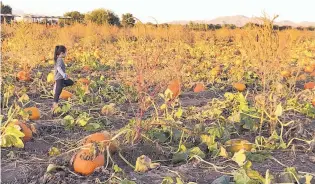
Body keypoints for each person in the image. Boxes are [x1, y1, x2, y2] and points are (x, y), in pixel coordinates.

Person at [52, 45, 74, 113]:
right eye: (65, 52)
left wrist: (65, 75)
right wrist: (64, 74)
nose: (66, 54)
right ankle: (54, 107)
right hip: (59, 78)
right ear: (62, 53)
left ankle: (58, 86)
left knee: (71, 82)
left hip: (60, 78)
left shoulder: (58, 59)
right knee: (57, 93)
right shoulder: (60, 59)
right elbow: (58, 68)